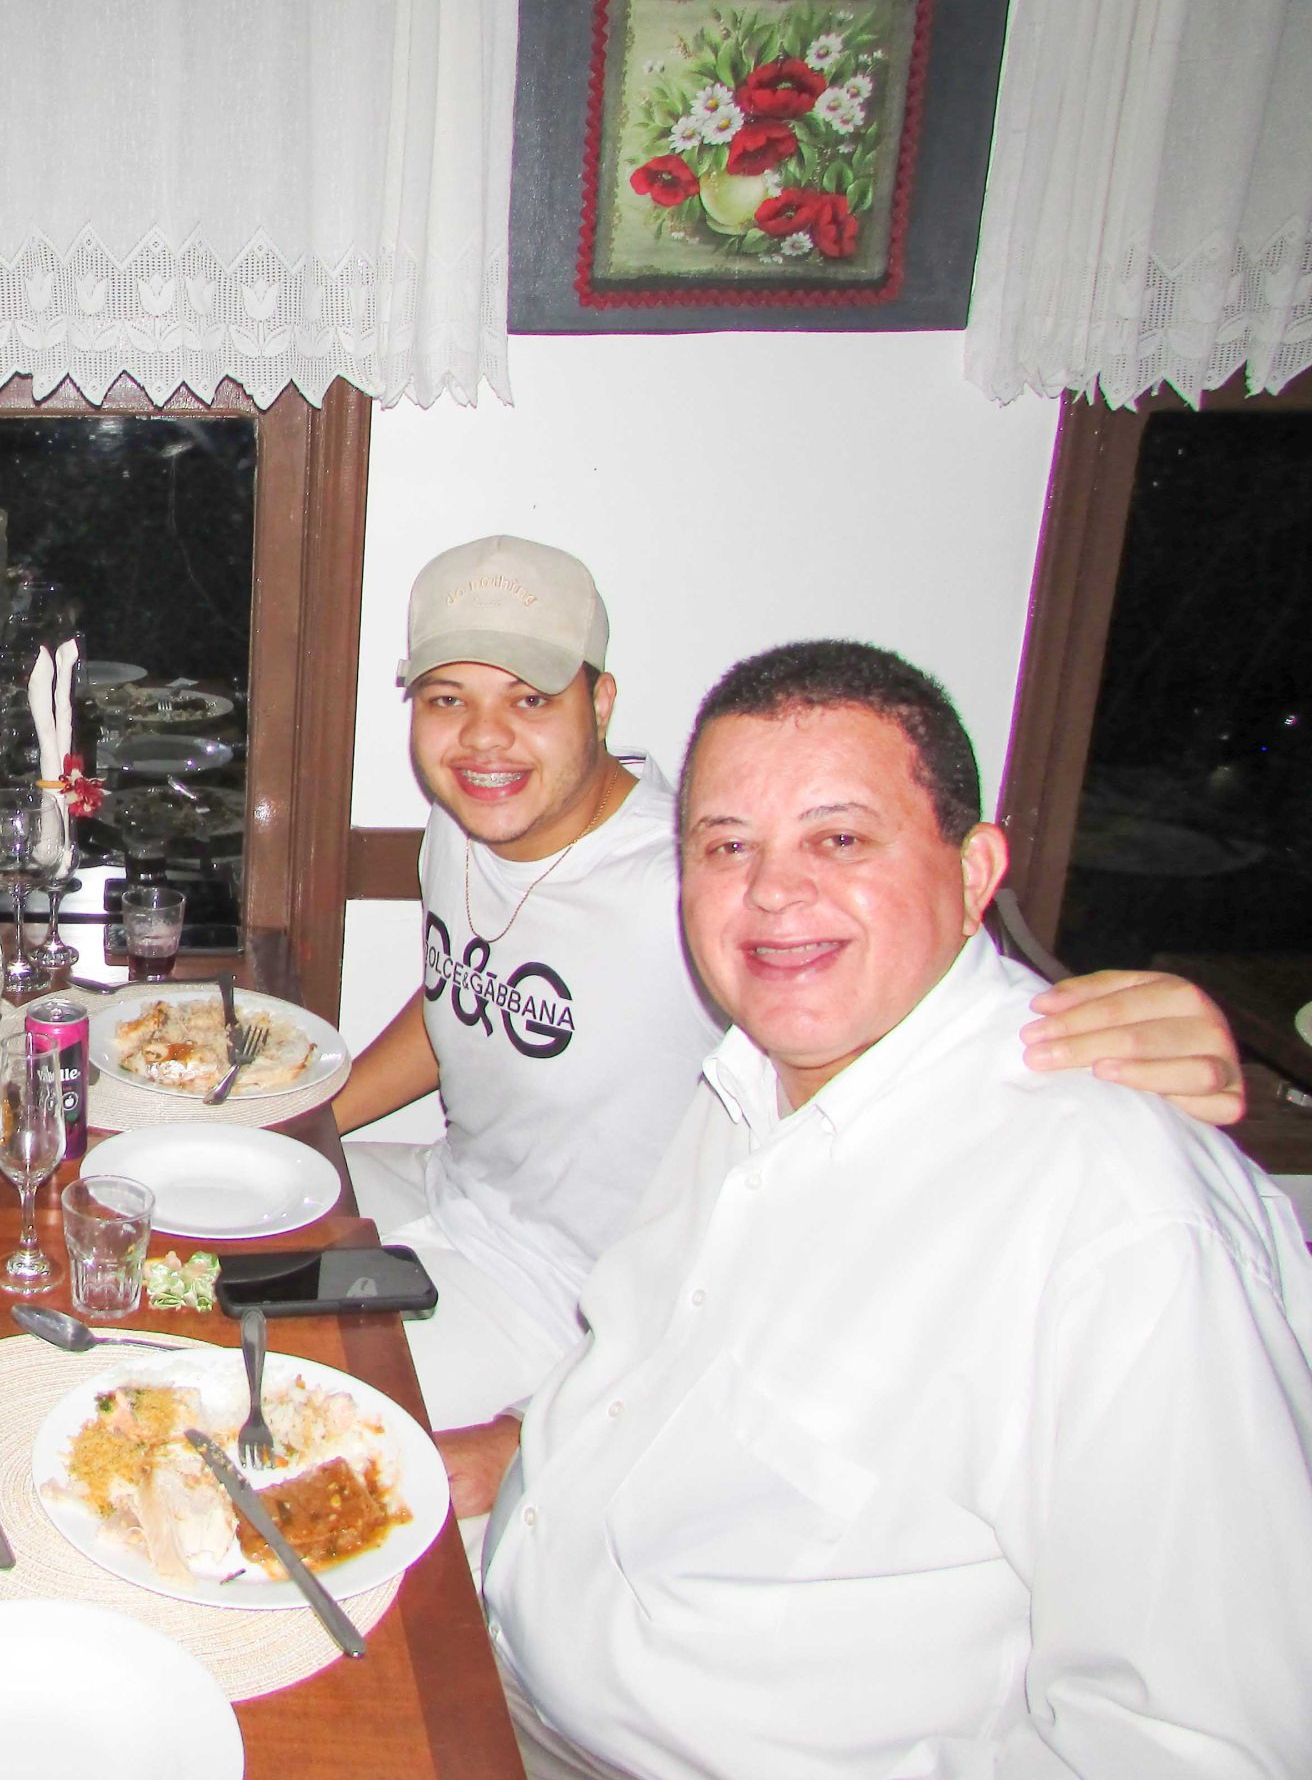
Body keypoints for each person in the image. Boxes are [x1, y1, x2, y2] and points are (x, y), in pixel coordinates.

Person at [459, 640, 1312, 1777]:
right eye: (727, 846)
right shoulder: (758, 1074)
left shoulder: (1118, 1215)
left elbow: (1201, 1747)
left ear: (974, 871)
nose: (772, 891)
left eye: (841, 839)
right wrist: (505, 1450)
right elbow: (661, 1368)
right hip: (498, 1650)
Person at [333, 536, 1247, 1432]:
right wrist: (314, 1119)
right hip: (455, 1191)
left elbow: (908, 1008)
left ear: (600, 702)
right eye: (447, 698)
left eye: (530, 697)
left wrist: (1122, 1032)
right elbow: (461, 994)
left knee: (283, 1392)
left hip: (581, 1304)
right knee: (239, 1226)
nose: (483, 737)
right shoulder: (463, 822)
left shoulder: (692, 886)